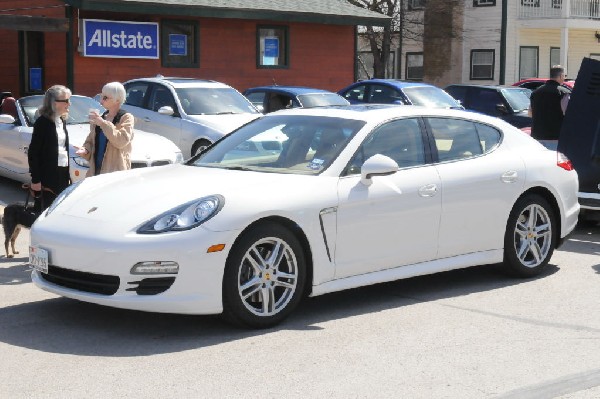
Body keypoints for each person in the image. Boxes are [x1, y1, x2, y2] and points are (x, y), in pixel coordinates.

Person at [27, 85, 72, 212]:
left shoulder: (61, 120)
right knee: (44, 211)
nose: (69, 104)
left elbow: (61, 148)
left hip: (62, 172)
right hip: (47, 175)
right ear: (54, 103)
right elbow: (33, 153)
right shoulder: (42, 123)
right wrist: (35, 180)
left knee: (59, 209)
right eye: (66, 101)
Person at [75, 82, 134, 176]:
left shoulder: (126, 118)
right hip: (96, 171)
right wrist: (86, 150)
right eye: (101, 96)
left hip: (115, 173)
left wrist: (102, 123)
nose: (101, 100)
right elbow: (91, 140)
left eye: (105, 97)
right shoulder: (102, 117)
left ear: (117, 99)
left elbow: (121, 141)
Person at [529, 65, 571, 140]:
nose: (565, 78)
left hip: (537, 137)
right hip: (556, 137)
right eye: (564, 76)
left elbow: (530, 114)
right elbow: (569, 115)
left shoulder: (535, 92)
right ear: (561, 76)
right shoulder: (563, 93)